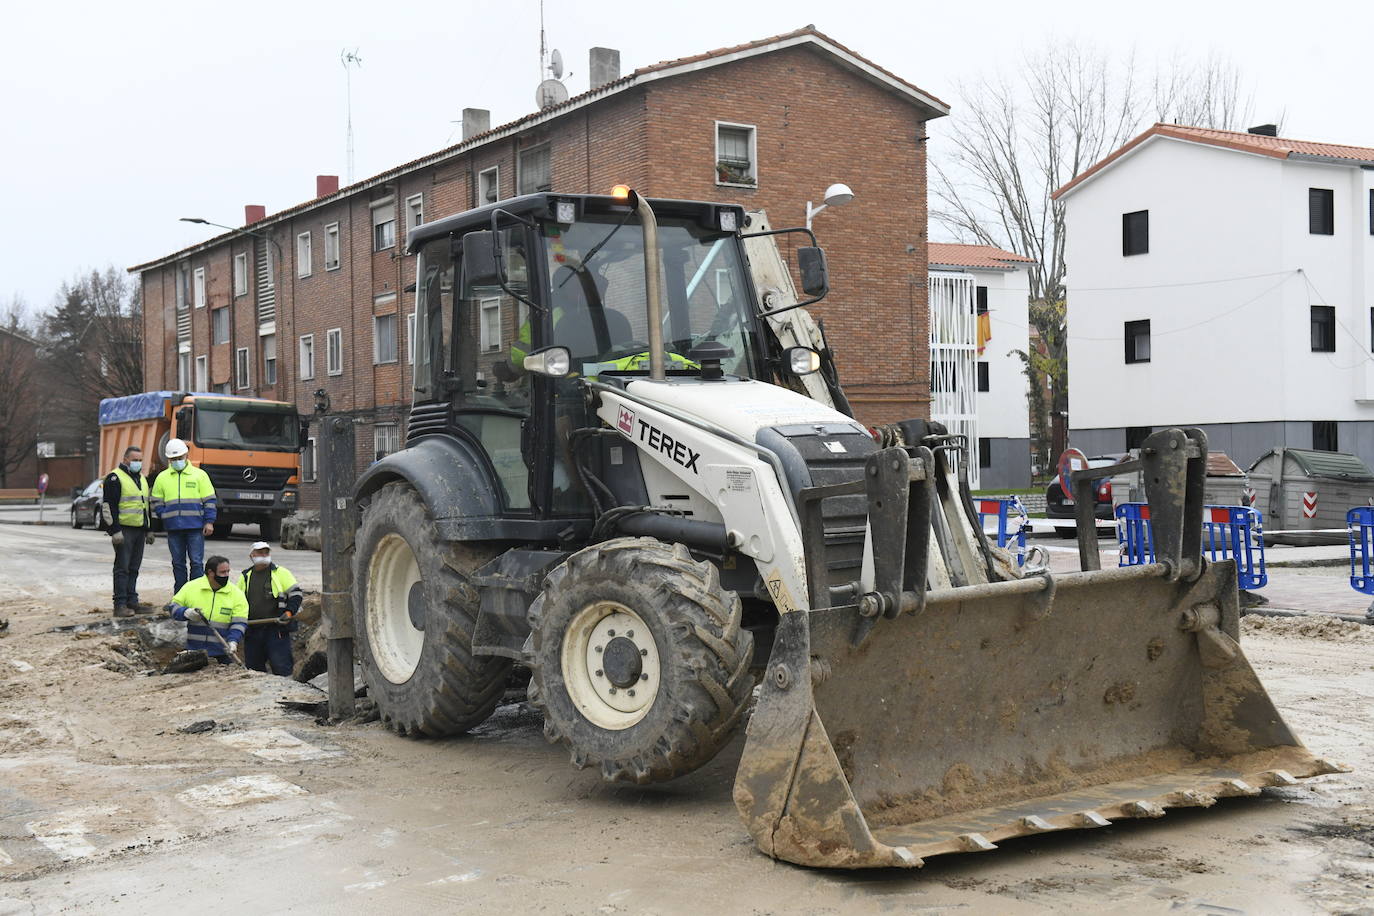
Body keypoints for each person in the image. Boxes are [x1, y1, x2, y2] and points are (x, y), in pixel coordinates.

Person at [150, 438, 217, 592]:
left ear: (186, 455)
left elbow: (210, 501)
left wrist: (209, 522)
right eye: (173, 459)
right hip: (173, 528)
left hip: (195, 528)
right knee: (178, 564)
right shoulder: (162, 478)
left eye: (179, 458)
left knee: (196, 563)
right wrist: (164, 516)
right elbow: (156, 501)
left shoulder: (199, 475)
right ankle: (180, 596)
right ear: (169, 459)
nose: (177, 461)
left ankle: (196, 595)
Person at [166, 555, 247, 664]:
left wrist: (233, 641)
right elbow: (173, 607)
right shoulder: (191, 587)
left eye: (228, 571)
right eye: (223, 572)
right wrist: (186, 613)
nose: (227, 575)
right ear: (211, 572)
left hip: (222, 652)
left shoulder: (236, 594)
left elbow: (239, 623)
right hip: (195, 652)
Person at [238, 541, 303, 676]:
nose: (264, 555)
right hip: (253, 630)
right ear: (252, 555)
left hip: (276, 629)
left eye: (266, 552)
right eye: (260, 552)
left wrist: (289, 612)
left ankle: (287, 694)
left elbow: (296, 595)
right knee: (254, 670)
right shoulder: (245, 576)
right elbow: (238, 602)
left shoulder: (280, 573)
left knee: (282, 666)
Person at [104, 445, 154, 619]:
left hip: (139, 530)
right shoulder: (114, 478)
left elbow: (145, 505)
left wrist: (148, 529)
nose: (138, 463)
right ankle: (120, 605)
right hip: (124, 530)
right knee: (122, 569)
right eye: (135, 460)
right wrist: (114, 530)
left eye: (140, 460)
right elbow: (108, 507)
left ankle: (132, 601)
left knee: (134, 568)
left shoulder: (141, 478)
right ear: (125, 460)